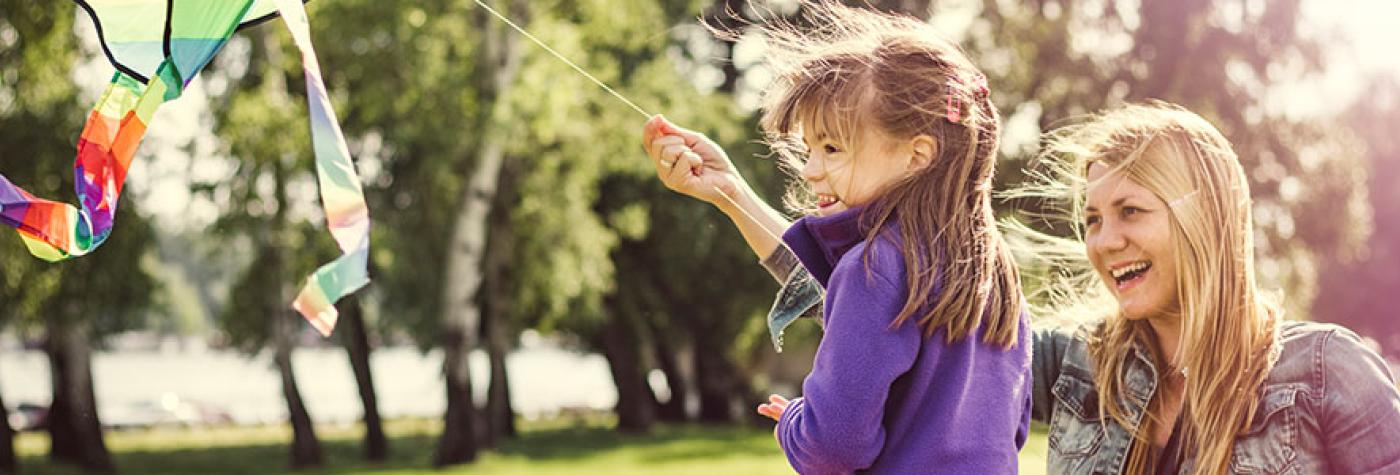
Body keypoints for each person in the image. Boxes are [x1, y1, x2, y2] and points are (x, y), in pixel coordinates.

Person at [709, 101, 1400, 473]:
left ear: (1207, 221)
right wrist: (733, 196)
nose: (1103, 241)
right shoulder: (1074, 368)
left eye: (1132, 212)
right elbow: (891, 303)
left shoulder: (1326, 371)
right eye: (1093, 218)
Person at [641, 2, 1032, 473]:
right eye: (809, 148)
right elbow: (1015, 426)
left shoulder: (874, 267)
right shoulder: (992, 271)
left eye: (832, 147)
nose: (809, 169)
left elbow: (833, 446)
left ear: (917, 156)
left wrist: (795, 424)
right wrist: (730, 192)